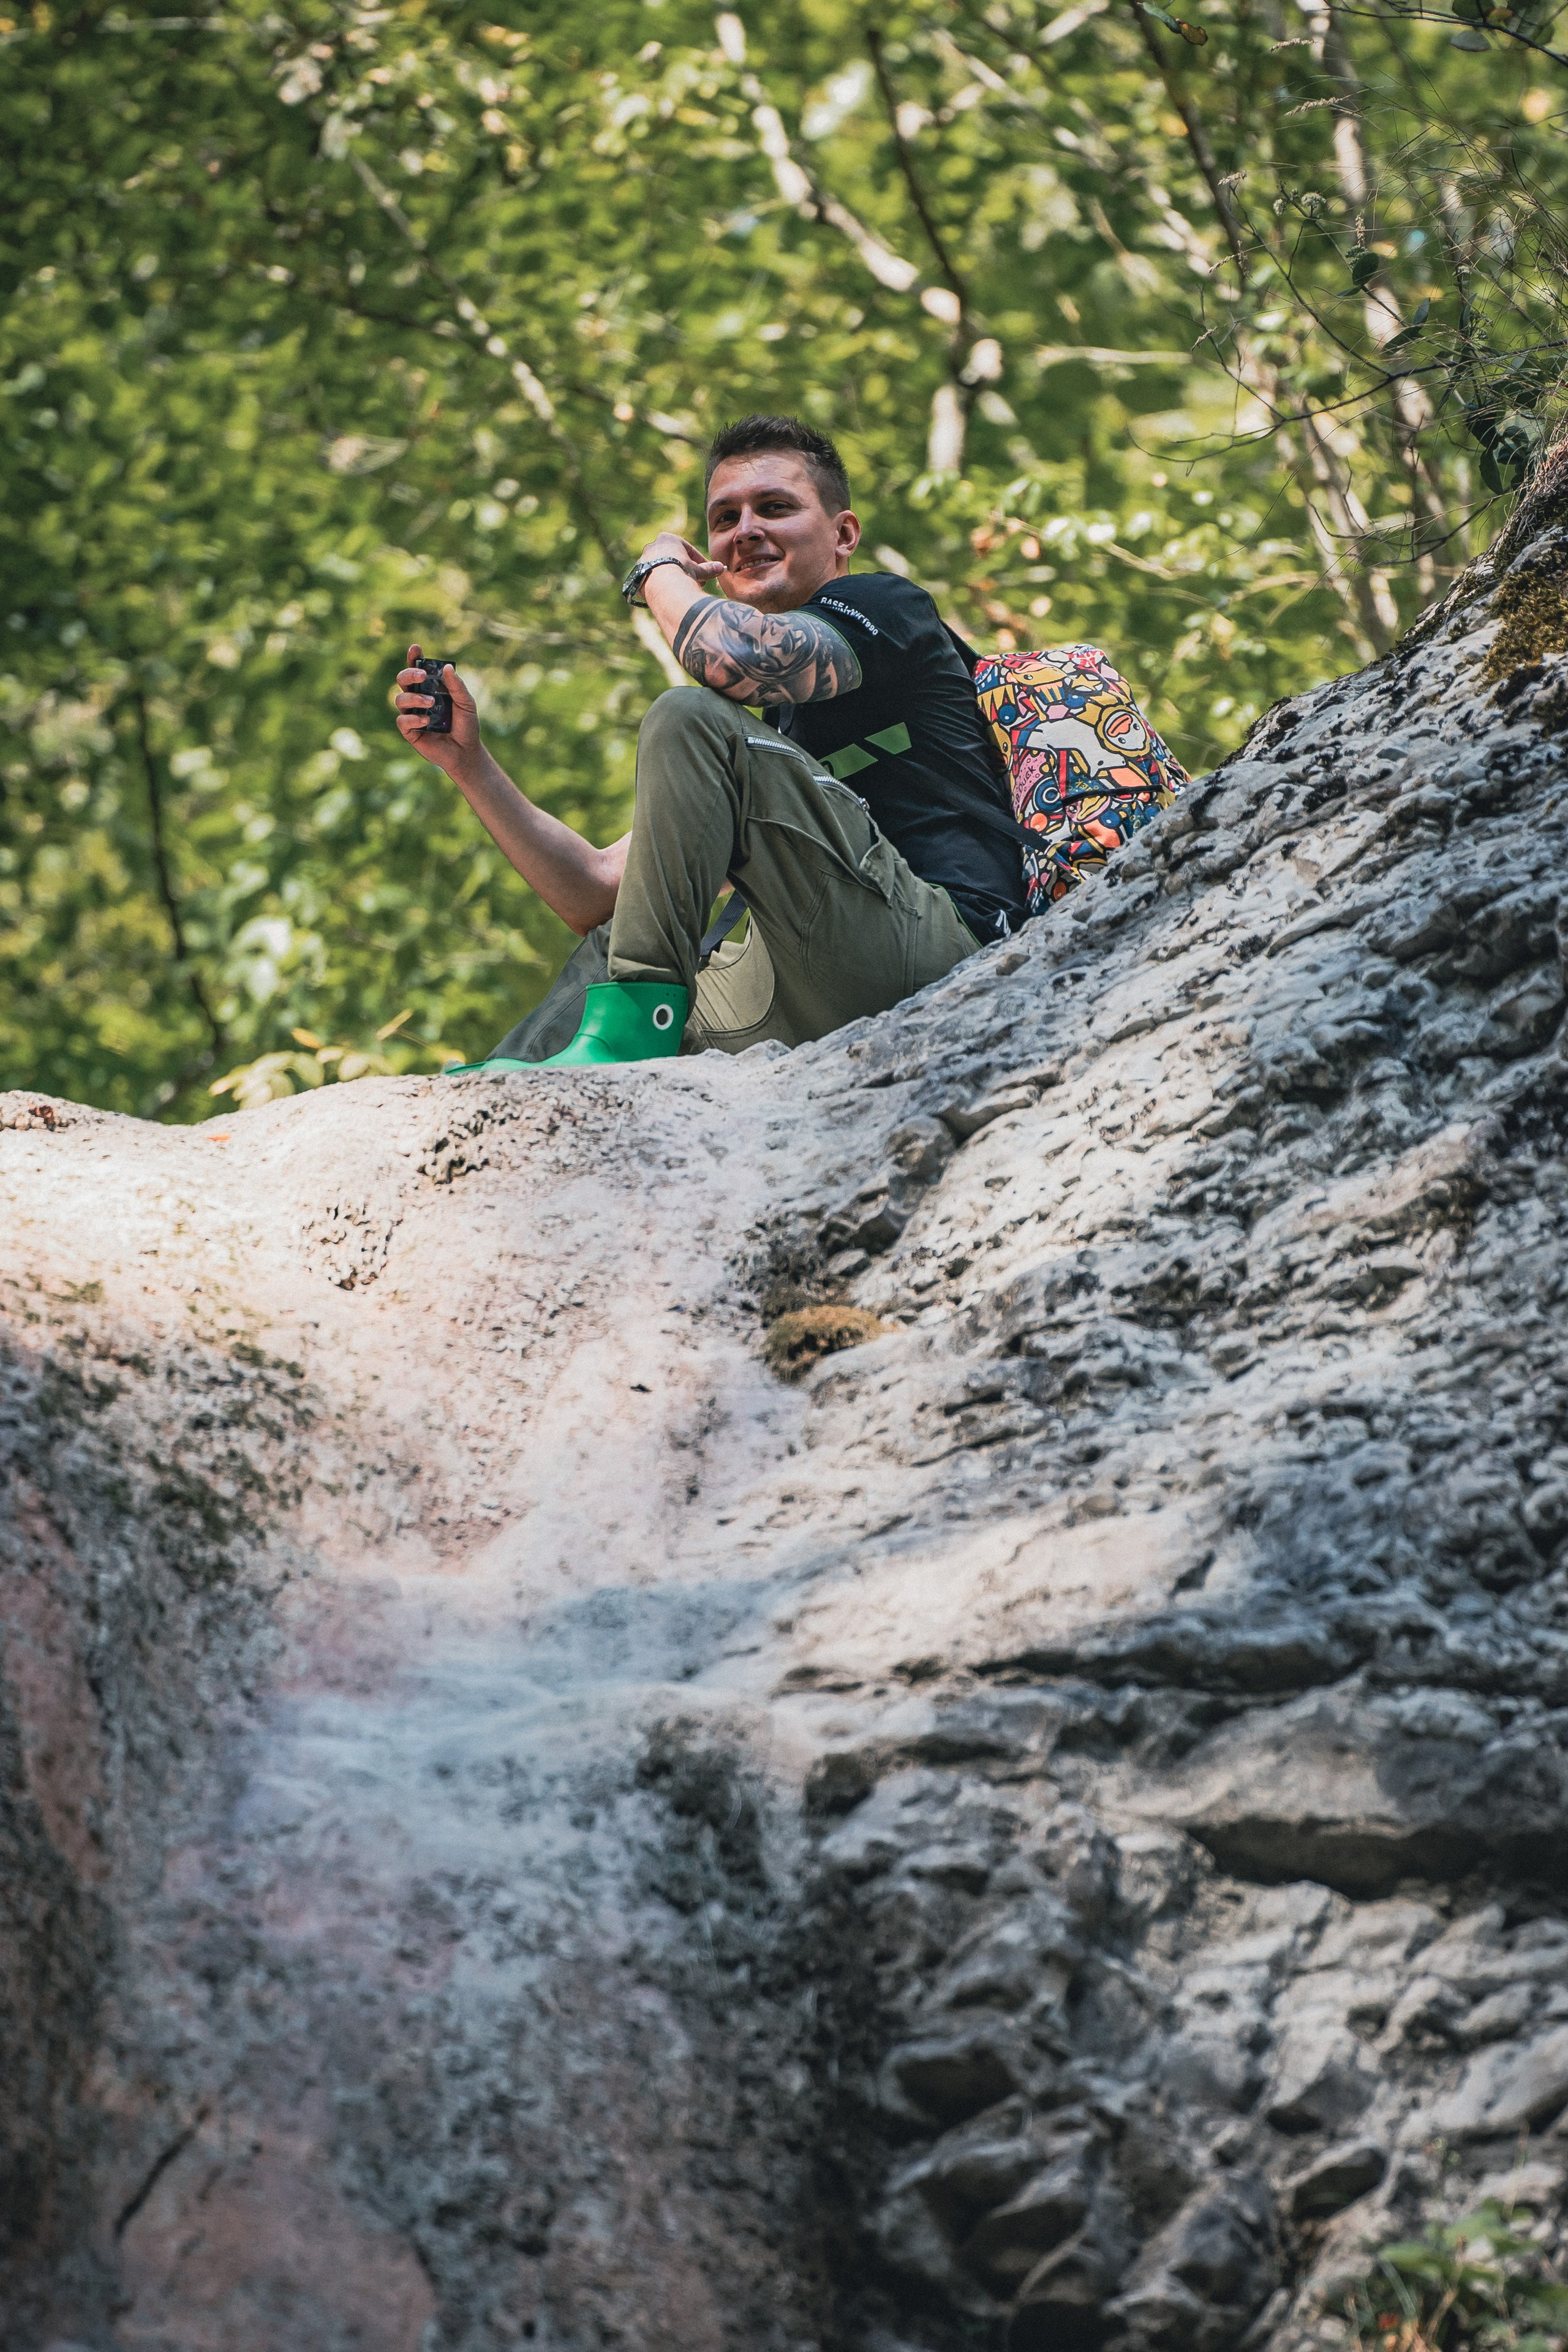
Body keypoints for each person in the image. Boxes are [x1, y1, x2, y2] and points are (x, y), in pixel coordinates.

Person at [394, 413, 1028, 1069]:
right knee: (615, 943)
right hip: (819, 983)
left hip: (948, 954)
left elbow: (737, 657)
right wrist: (470, 766)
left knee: (688, 714)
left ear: (843, 534)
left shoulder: (887, 607)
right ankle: (508, 1093)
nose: (745, 530)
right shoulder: (765, 734)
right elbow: (598, 891)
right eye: (725, 519)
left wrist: (656, 570)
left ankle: (625, 1040)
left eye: (775, 508)